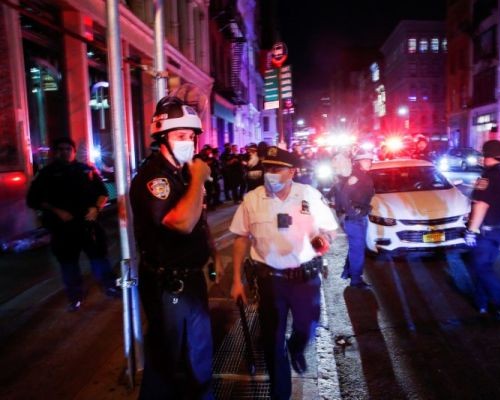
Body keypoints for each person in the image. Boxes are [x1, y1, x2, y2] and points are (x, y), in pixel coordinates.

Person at [129, 96, 222, 399]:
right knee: (169, 361)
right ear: (162, 139)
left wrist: (212, 255)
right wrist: (198, 179)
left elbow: (198, 219)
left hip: (190, 278)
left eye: (192, 136)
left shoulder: (181, 172)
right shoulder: (155, 177)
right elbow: (180, 222)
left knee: (197, 353)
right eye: (181, 136)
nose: (190, 142)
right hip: (168, 283)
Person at [229, 146, 338, 400]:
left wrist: (324, 238)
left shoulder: (309, 196)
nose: (271, 174)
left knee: (306, 327)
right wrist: (236, 279)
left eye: (277, 169)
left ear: (292, 172)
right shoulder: (252, 200)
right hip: (270, 283)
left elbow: (330, 230)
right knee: (272, 341)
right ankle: (280, 394)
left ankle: (297, 347)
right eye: (268, 168)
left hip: (305, 281)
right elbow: (240, 239)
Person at [26, 137, 118, 312]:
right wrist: (56, 211)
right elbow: (33, 199)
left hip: (87, 225)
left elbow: (103, 193)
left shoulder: (86, 170)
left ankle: (110, 287)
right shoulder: (46, 174)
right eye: (60, 149)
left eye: (68, 148)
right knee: (69, 264)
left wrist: (96, 208)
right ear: (55, 152)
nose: (65, 152)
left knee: (99, 257)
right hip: (62, 228)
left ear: (74, 151)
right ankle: (75, 297)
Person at [464, 139, 500, 320]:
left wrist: (471, 231)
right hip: (499, 230)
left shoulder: (486, 177)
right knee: (484, 267)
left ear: (486, 156)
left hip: (485, 233)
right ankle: (482, 303)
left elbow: (481, 205)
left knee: (481, 268)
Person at [338, 150, 375, 288]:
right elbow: (344, 196)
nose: (369, 163)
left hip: (361, 217)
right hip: (355, 219)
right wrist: (352, 211)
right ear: (358, 162)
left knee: (356, 248)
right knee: (358, 250)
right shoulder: (356, 176)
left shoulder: (364, 175)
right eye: (366, 160)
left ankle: (348, 272)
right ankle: (356, 280)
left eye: (370, 160)